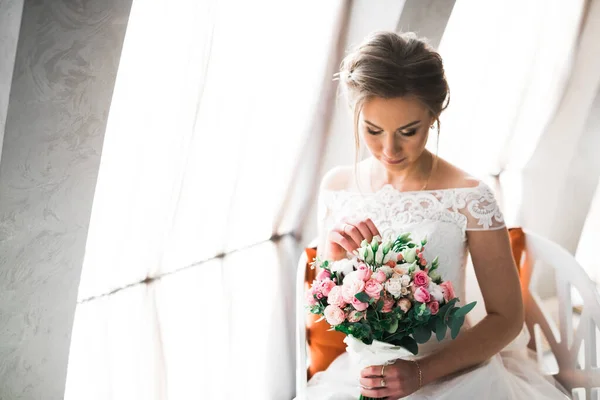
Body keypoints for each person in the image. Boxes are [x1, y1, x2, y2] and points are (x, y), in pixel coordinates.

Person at [305, 31, 569, 399]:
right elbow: (326, 312)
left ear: (434, 115)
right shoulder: (337, 186)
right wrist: (334, 259)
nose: (389, 149)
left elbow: (507, 319)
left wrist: (419, 373)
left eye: (408, 131)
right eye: (373, 130)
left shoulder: (469, 196)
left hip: (455, 373)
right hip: (362, 376)